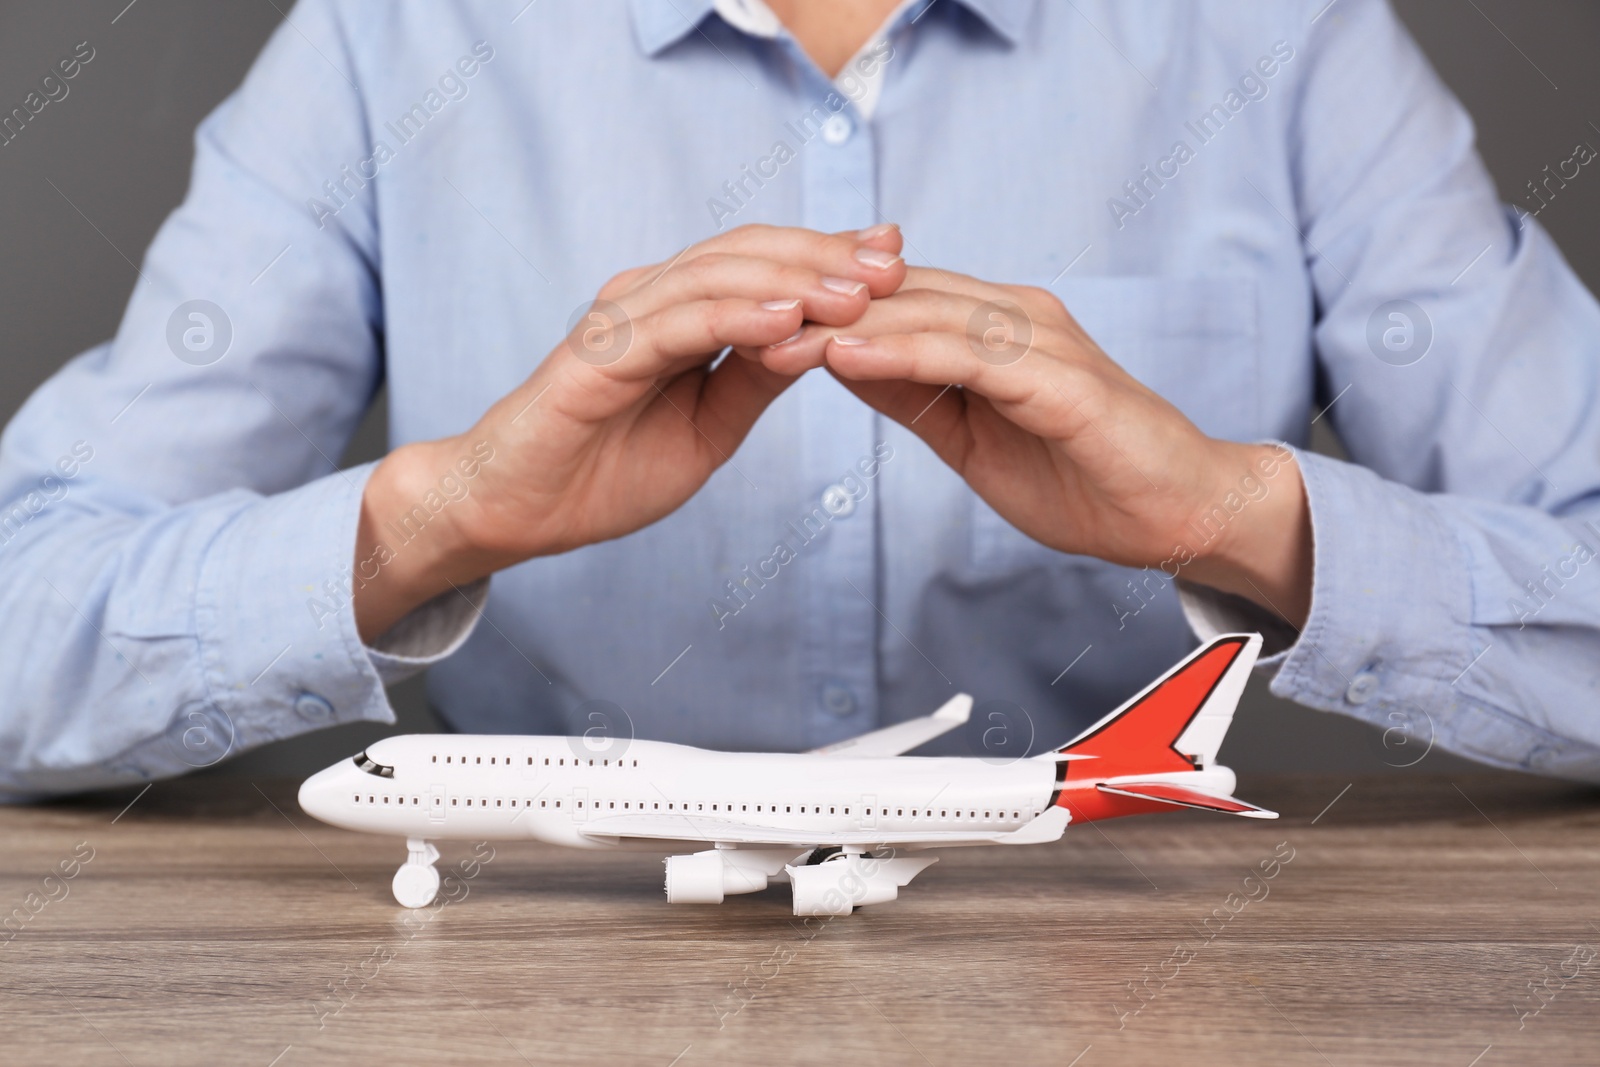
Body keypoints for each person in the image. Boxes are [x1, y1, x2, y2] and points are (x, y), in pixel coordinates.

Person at [3, 0, 1598, 800]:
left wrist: (1238, 518)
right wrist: (434, 522)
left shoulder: (1282, 35)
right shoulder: (396, 35)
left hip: (1144, 1000)